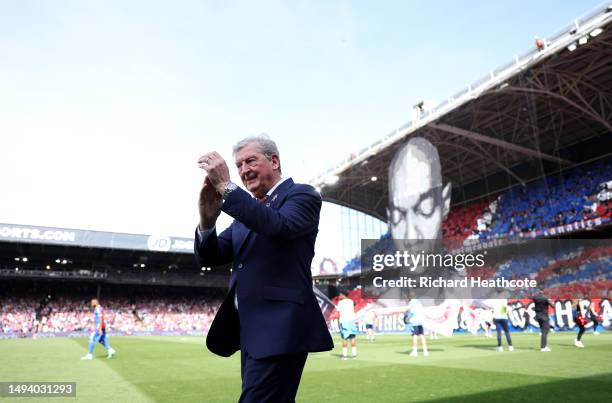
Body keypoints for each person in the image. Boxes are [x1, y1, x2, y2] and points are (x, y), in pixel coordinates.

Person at [195, 134, 333, 402]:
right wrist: (207, 220)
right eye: (238, 166)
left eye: (250, 161)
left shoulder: (301, 194)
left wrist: (226, 185)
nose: (244, 170)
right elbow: (210, 256)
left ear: (274, 161)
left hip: (281, 328)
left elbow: (278, 226)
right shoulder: (246, 214)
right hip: (250, 330)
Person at [336, 291, 358, 359]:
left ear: (343, 295)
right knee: (353, 338)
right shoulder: (351, 301)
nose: (339, 296)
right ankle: (354, 355)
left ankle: (344, 355)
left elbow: (339, 313)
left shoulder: (340, 302)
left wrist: (338, 322)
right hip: (351, 321)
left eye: (340, 295)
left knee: (344, 339)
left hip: (344, 321)